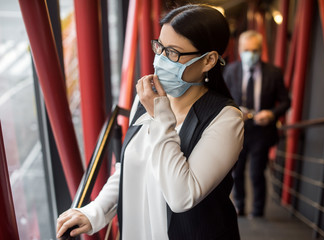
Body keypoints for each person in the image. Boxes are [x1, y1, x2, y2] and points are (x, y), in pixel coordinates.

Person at [56, 4, 244, 240]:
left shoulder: (225, 118)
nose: (161, 60)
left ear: (208, 61)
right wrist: (95, 212)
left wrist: (160, 115)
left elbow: (182, 196)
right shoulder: (147, 98)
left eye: (173, 53)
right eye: (160, 48)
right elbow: (131, 167)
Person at [223, 30, 290, 218]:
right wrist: (235, 111)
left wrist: (272, 113)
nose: (250, 54)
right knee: (237, 172)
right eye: (246, 49)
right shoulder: (230, 71)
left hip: (262, 131)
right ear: (239, 49)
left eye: (255, 50)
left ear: (261, 50)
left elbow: (286, 101)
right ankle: (240, 207)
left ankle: (258, 211)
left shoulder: (274, 72)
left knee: (256, 172)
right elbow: (222, 98)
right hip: (238, 130)